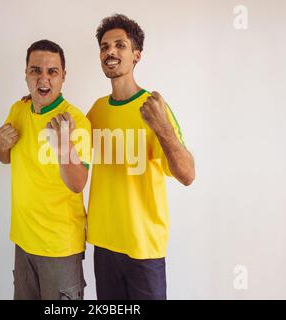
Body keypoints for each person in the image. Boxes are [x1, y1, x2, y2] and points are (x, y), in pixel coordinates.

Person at [86, 14, 196, 300]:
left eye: (120, 45)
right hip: (104, 246)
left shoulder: (154, 108)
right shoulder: (96, 111)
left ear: (136, 55)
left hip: (144, 249)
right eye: (105, 46)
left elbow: (187, 175)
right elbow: (71, 150)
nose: (110, 52)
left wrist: (162, 128)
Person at [0, 39, 90, 300]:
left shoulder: (75, 120)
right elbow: (4, 157)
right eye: (35, 70)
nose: (43, 78)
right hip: (23, 242)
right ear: (26, 74)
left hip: (59, 248)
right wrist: (2, 146)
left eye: (52, 71)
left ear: (63, 77)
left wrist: (63, 146)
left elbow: (78, 183)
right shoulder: (18, 109)